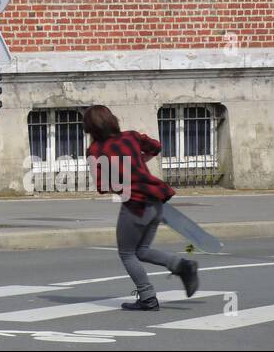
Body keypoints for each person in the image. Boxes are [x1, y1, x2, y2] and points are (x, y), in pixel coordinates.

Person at [82, 105, 200, 311]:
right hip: (156, 200)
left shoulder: (95, 151)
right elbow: (155, 146)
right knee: (142, 250)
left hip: (135, 205)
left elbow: (102, 186)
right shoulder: (131, 137)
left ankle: (147, 297)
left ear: (90, 127)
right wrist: (140, 161)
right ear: (112, 120)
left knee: (127, 253)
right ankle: (182, 266)